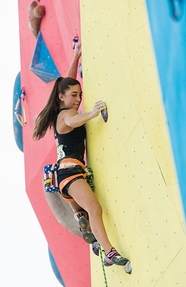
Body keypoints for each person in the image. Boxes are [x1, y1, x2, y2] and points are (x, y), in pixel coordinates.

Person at [32, 43, 129, 267]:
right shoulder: (67, 115)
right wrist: (92, 113)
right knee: (95, 209)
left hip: (63, 179)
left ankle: (82, 222)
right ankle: (109, 252)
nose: (78, 99)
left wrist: (75, 57)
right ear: (61, 98)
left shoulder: (59, 111)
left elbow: (66, 83)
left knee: (87, 212)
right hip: (71, 174)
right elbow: (74, 120)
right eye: (74, 96)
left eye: (80, 95)